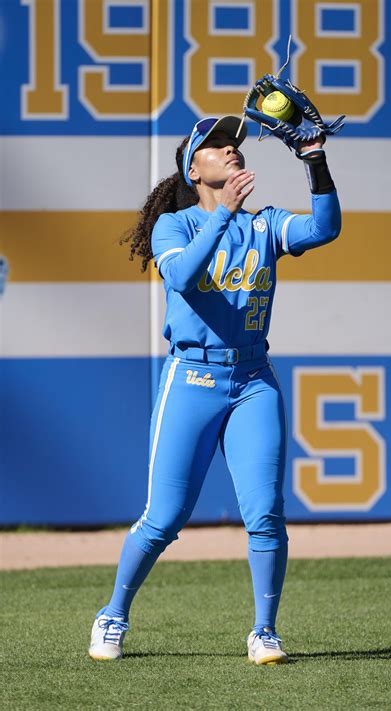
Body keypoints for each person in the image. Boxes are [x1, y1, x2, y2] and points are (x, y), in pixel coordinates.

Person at [88, 115, 341, 664]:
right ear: (193, 170)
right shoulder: (173, 226)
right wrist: (222, 214)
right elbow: (181, 276)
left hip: (252, 380)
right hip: (192, 378)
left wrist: (315, 161)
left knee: (265, 513)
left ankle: (264, 630)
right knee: (163, 518)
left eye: (234, 143)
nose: (230, 149)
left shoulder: (265, 225)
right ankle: (112, 613)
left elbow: (325, 228)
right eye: (216, 145)